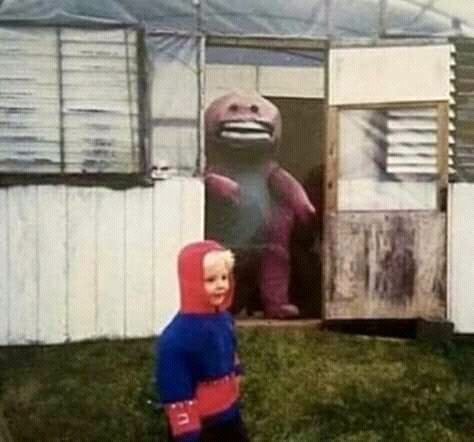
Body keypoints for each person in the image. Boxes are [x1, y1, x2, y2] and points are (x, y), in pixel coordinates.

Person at [156, 240, 249, 442]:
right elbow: (175, 388)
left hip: (229, 413)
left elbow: (229, 349)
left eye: (224, 277)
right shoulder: (177, 338)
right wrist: (187, 432)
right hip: (202, 422)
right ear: (191, 282)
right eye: (210, 280)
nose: (221, 285)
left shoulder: (224, 319)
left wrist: (236, 371)